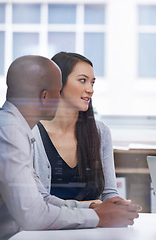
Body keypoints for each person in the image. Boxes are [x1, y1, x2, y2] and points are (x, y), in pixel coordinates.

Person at [0, 55, 141, 240]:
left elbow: (42, 198)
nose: (60, 98)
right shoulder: (7, 132)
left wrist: (92, 207)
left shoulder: (14, 128)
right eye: (58, 91)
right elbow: (33, 215)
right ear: (45, 96)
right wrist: (98, 216)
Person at [32, 52, 118, 202]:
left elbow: (109, 193)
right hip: (49, 225)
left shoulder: (100, 132)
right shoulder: (30, 133)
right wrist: (90, 207)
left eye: (92, 83)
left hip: (96, 225)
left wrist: (119, 205)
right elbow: (36, 203)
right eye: (83, 80)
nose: (90, 90)